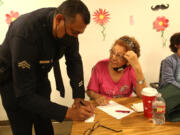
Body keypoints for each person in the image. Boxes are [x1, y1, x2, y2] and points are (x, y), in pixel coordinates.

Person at [0, 0, 94, 135]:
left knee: (45, 125)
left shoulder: (70, 29)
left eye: (79, 34)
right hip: (13, 81)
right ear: (59, 20)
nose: (75, 38)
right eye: (74, 33)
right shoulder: (25, 32)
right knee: (22, 128)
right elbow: (24, 95)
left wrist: (78, 96)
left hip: (40, 76)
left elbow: (74, 60)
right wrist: (68, 112)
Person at [86, 36, 147, 106]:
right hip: (104, 107)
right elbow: (90, 91)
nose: (113, 57)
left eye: (119, 56)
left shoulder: (131, 68)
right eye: (112, 52)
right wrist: (97, 97)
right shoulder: (100, 66)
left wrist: (137, 68)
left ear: (128, 61)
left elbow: (143, 96)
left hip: (124, 107)